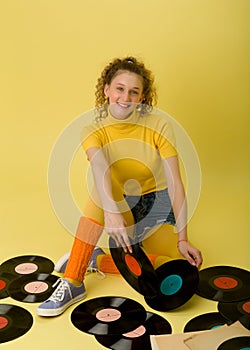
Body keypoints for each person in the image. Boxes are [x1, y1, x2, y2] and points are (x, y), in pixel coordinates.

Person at [37, 56, 202, 317]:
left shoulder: (159, 125)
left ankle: (95, 258)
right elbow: (100, 167)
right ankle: (73, 280)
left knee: (173, 267)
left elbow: (175, 182)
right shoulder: (92, 129)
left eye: (134, 91)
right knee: (102, 184)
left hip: (156, 204)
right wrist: (112, 211)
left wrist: (183, 238)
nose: (126, 97)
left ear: (142, 97)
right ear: (106, 90)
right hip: (116, 200)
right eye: (120, 89)